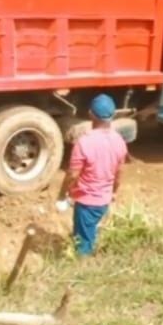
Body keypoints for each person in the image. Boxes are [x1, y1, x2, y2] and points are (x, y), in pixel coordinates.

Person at [57, 94, 127, 257]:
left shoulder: (84, 142)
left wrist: (62, 195)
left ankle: (83, 265)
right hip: (103, 200)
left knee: (83, 245)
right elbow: (119, 172)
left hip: (87, 203)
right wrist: (114, 192)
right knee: (87, 233)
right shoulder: (119, 141)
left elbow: (72, 174)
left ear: (90, 114)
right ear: (113, 115)